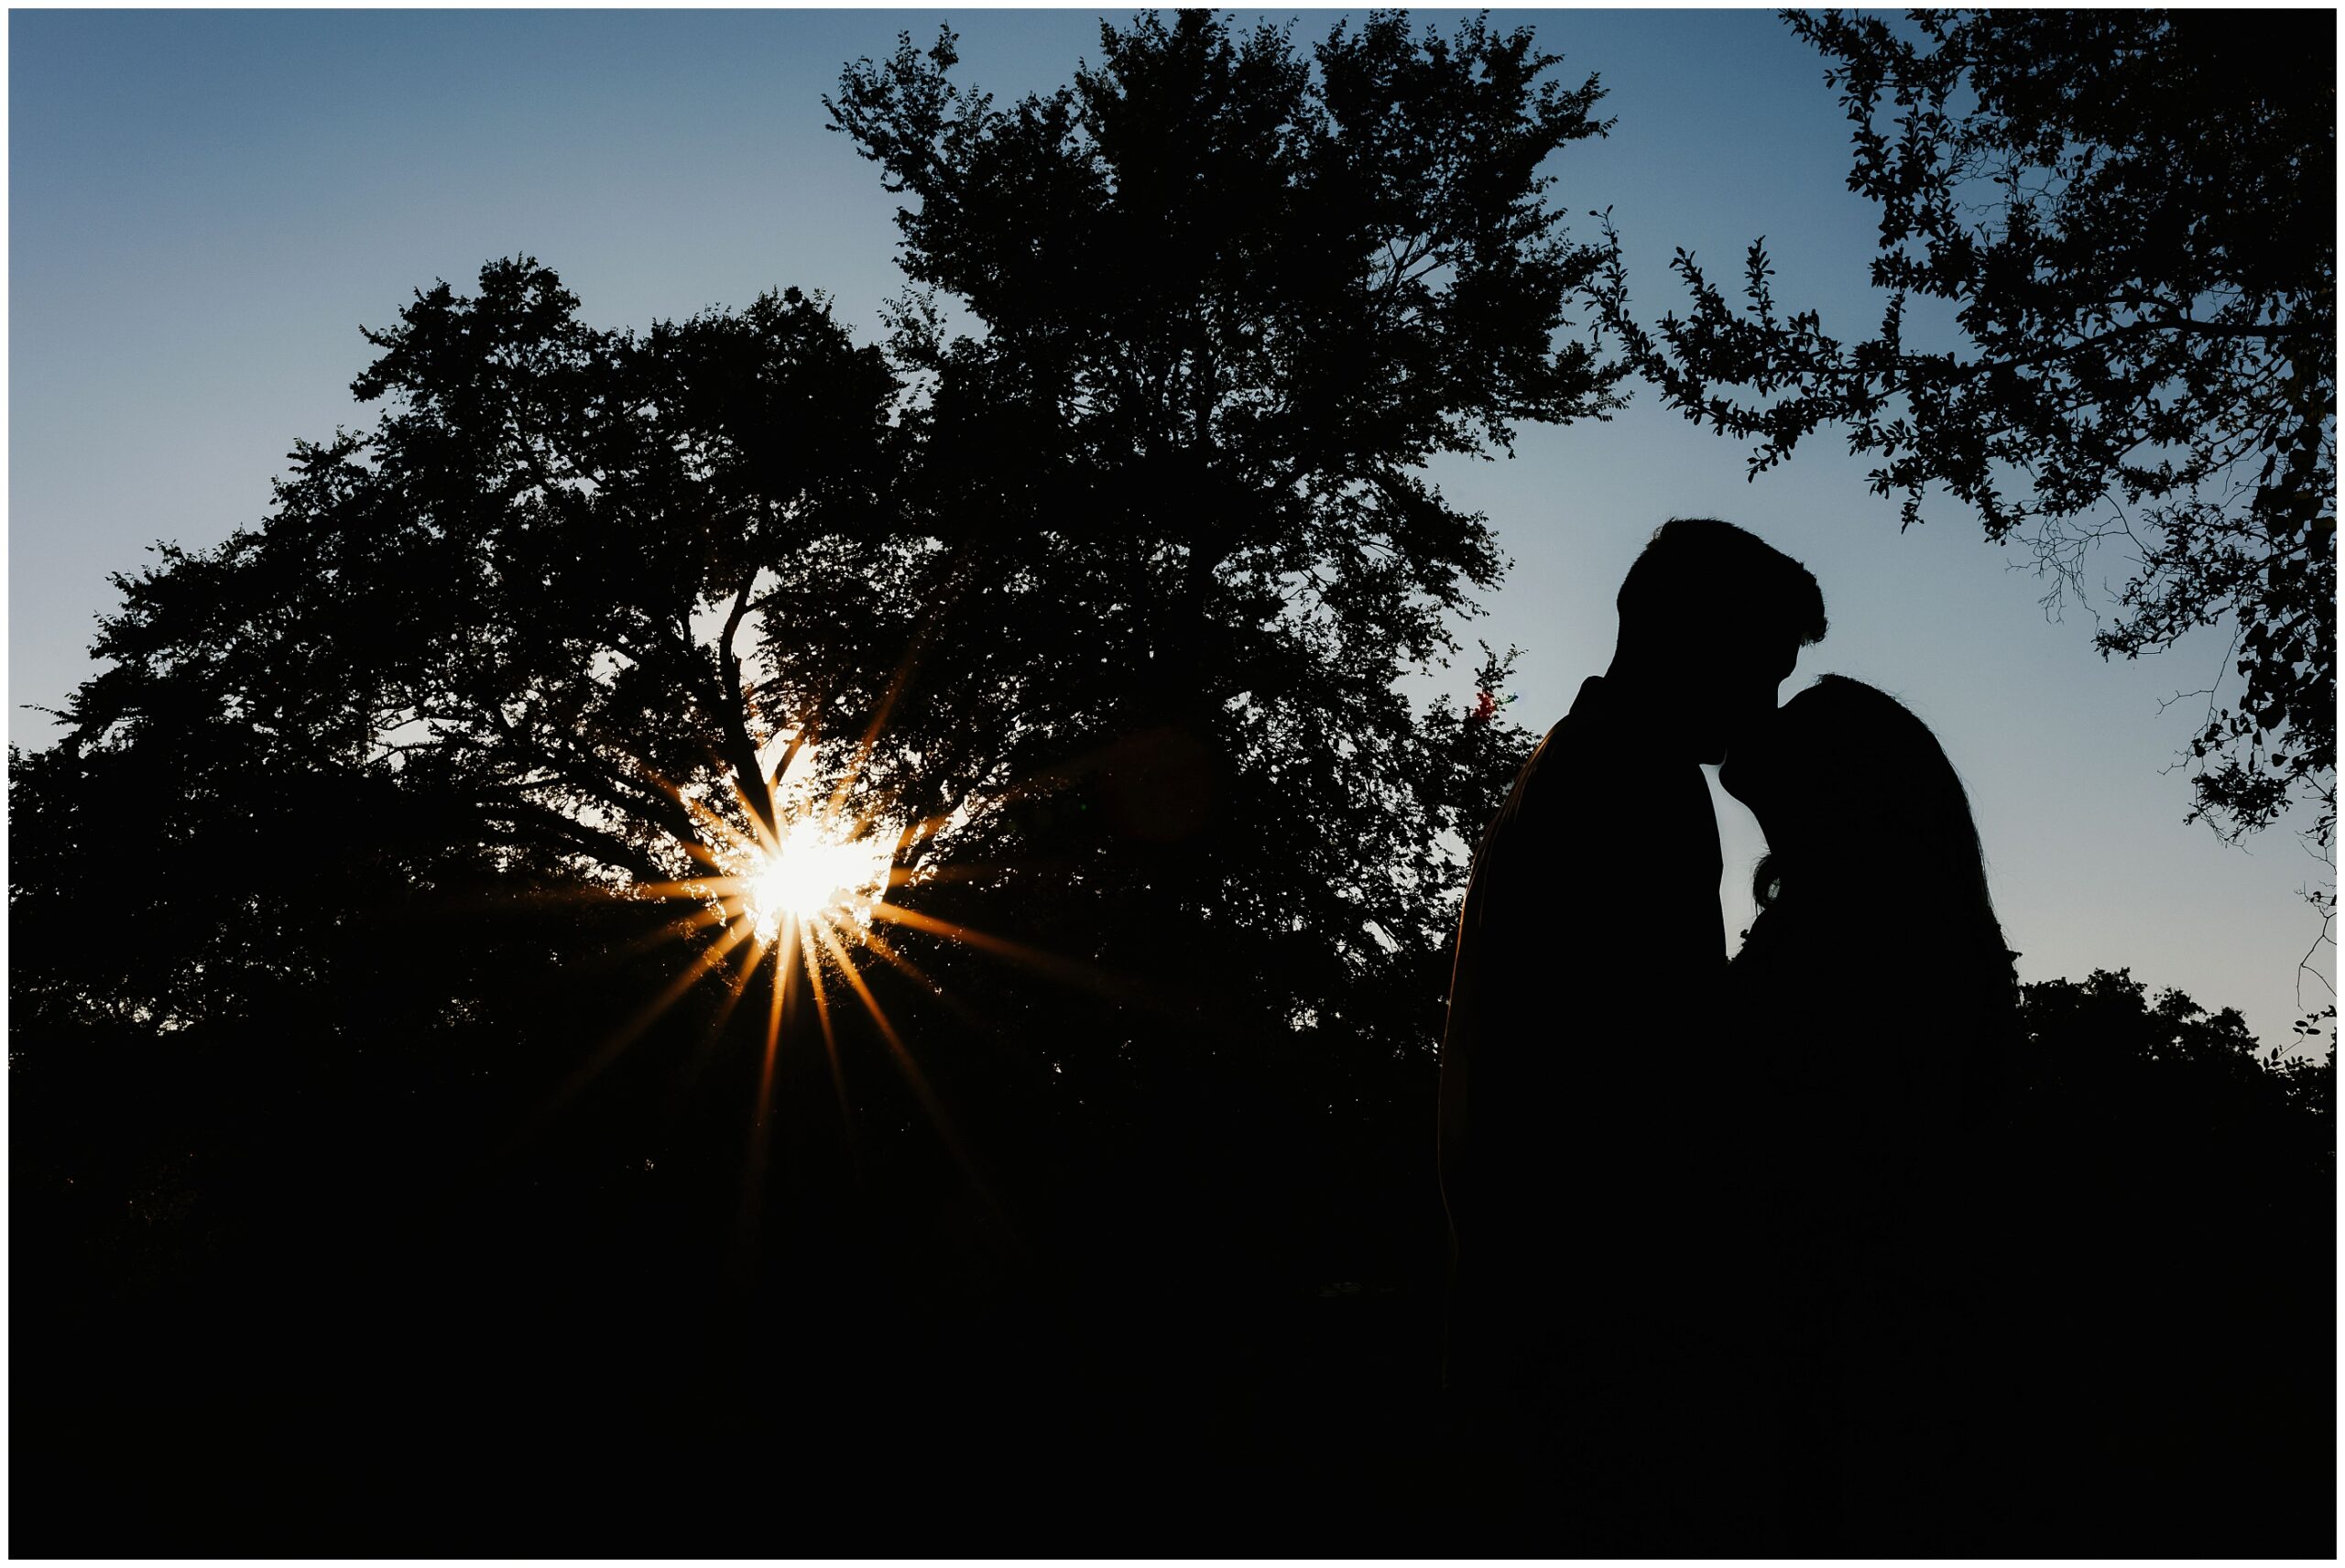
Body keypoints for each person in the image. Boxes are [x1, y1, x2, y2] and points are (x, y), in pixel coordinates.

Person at [1434, 517, 1827, 1552]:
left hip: (1539, 1288)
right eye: (1762, 667)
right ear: (1692, 638)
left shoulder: (1572, 767)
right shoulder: (1634, 784)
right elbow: (1669, 1070)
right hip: (1600, 1307)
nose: (1766, 703)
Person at [1718, 673, 2023, 1556]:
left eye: (1793, 713)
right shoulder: (1878, 932)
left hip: (1831, 1377)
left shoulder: (1853, 948)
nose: (1764, 710)